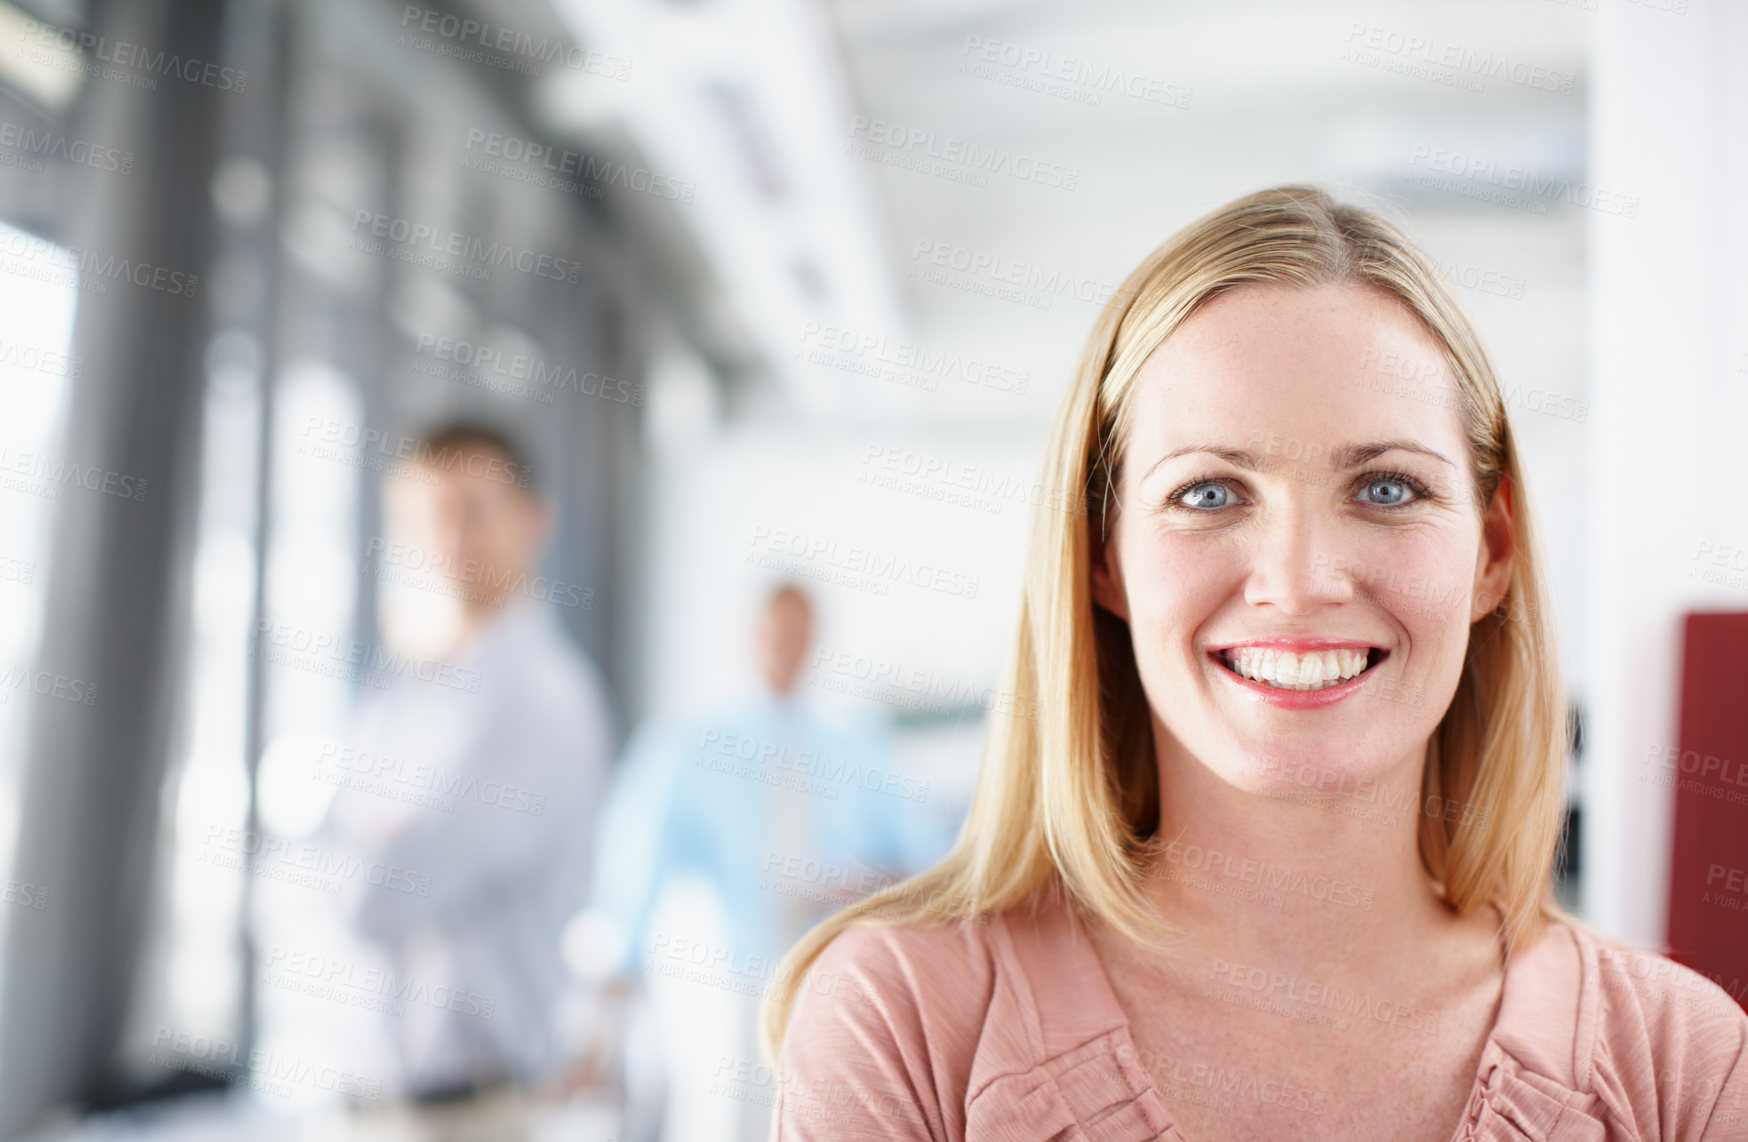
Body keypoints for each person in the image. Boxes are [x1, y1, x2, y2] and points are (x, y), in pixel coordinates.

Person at [761, 187, 1748, 1140]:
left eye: (1387, 486)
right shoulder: (906, 1026)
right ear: (1100, 552)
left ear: (1489, 552)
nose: (1299, 578)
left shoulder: (1682, 1066)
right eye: (1207, 493)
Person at [317, 421, 616, 1136]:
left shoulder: (538, 701)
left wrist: (365, 846)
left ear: (534, 521)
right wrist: (370, 844)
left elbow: (373, 895)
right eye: (425, 516)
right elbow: (292, 877)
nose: (448, 537)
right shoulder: (406, 687)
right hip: (370, 1106)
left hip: (467, 1117)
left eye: (472, 511)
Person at [594, 583, 951, 1142]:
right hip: (734, 978)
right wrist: (619, 967)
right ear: (752, 635)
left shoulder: (855, 746)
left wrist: (873, 881)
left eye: (800, 630)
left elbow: (925, 853)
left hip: (830, 971)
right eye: (776, 630)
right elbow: (637, 856)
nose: (788, 644)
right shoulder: (693, 745)